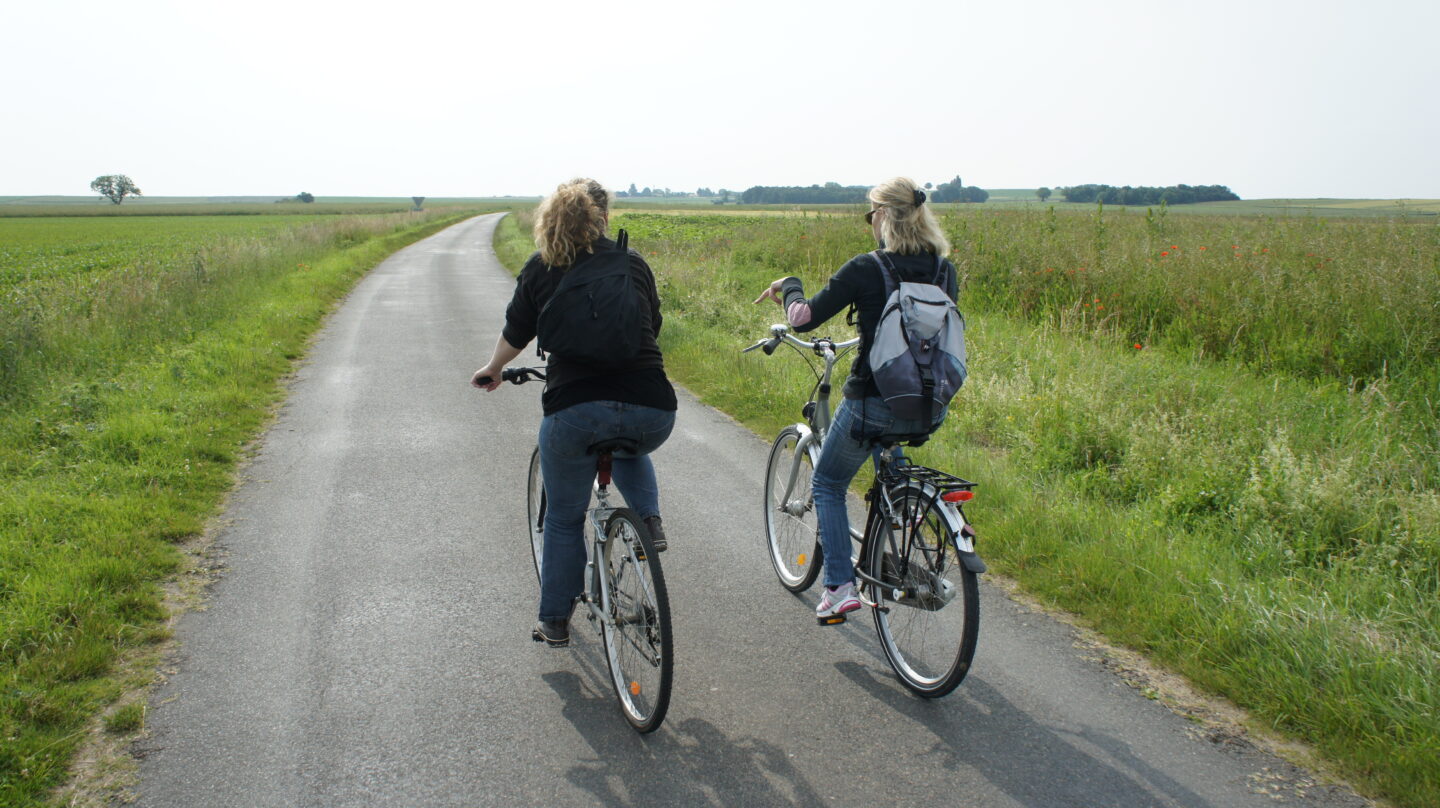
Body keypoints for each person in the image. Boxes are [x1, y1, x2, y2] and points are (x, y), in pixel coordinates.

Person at [472, 178, 676, 647]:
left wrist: (493, 369)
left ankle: (555, 621)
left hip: (575, 411)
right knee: (628, 442)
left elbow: (517, 331)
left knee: (564, 519)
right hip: (653, 409)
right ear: (603, 218)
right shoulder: (631, 262)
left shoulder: (543, 266)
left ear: (550, 221)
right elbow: (652, 324)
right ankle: (649, 520)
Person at [754, 177, 958, 622]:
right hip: (929, 405)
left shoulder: (868, 267)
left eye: (871, 215)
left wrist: (789, 285)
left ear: (883, 215)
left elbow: (802, 318)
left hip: (872, 400)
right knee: (889, 454)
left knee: (828, 483)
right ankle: (900, 518)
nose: (871, 223)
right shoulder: (944, 271)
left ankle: (839, 587)